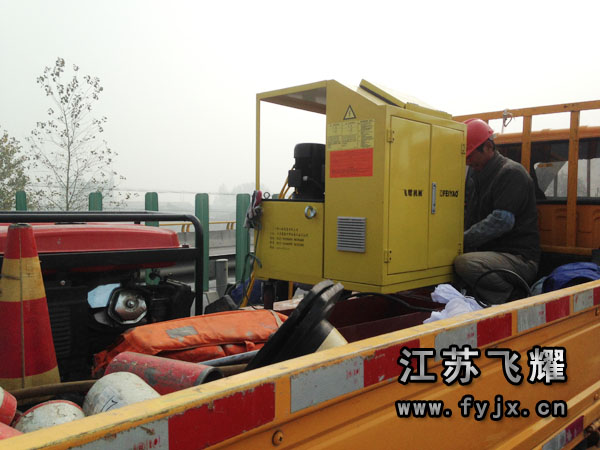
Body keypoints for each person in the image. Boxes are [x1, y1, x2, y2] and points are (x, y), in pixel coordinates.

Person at [454, 118, 541, 304]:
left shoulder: (511, 173)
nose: (468, 162)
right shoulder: (475, 176)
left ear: (488, 147)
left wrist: (460, 240)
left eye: (470, 156)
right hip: (491, 255)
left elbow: (502, 221)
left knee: (465, 263)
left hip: (519, 259)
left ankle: (512, 297)